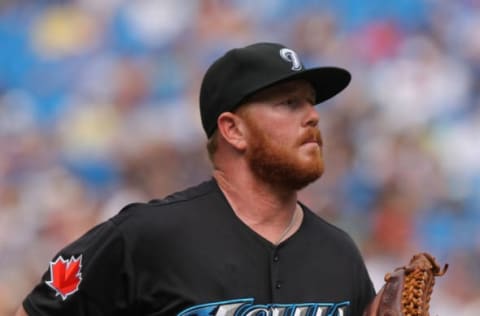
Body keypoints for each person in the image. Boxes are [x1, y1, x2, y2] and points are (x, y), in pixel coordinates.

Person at [16, 42, 375, 316]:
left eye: (312, 103)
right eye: (289, 103)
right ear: (233, 130)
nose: (313, 116)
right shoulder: (147, 236)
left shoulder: (340, 254)